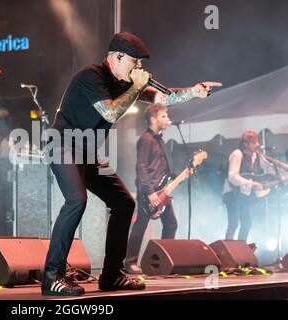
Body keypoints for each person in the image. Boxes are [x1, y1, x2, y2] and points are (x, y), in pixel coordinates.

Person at [42, 31, 221, 295]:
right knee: (76, 200)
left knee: (124, 203)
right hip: (61, 144)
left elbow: (164, 97)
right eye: (134, 62)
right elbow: (111, 111)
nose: (139, 68)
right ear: (117, 57)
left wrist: (193, 92)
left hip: (87, 151)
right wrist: (137, 86)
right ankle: (52, 275)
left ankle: (112, 275)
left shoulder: (126, 83)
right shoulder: (90, 76)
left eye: (140, 64)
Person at [124, 104, 180, 274]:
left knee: (171, 224)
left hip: (162, 191)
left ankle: (162, 260)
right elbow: (141, 167)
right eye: (164, 116)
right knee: (140, 225)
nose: (167, 120)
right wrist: (149, 192)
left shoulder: (160, 140)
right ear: (153, 119)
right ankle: (130, 263)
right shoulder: (146, 139)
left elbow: (161, 167)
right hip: (148, 192)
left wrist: (178, 175)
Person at [222, 131, 273, 241]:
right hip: (231, 193)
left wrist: (283, 174)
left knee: (246, 224)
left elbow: (270, 168)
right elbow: (232, 176)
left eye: (257, 142)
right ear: (246, 144)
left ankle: (241, 251)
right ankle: (226, 253)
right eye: (254, 142)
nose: (257, 145)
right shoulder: (237, 154)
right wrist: (251, 183)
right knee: (234, 224)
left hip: (243, 194)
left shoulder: (256, 155)